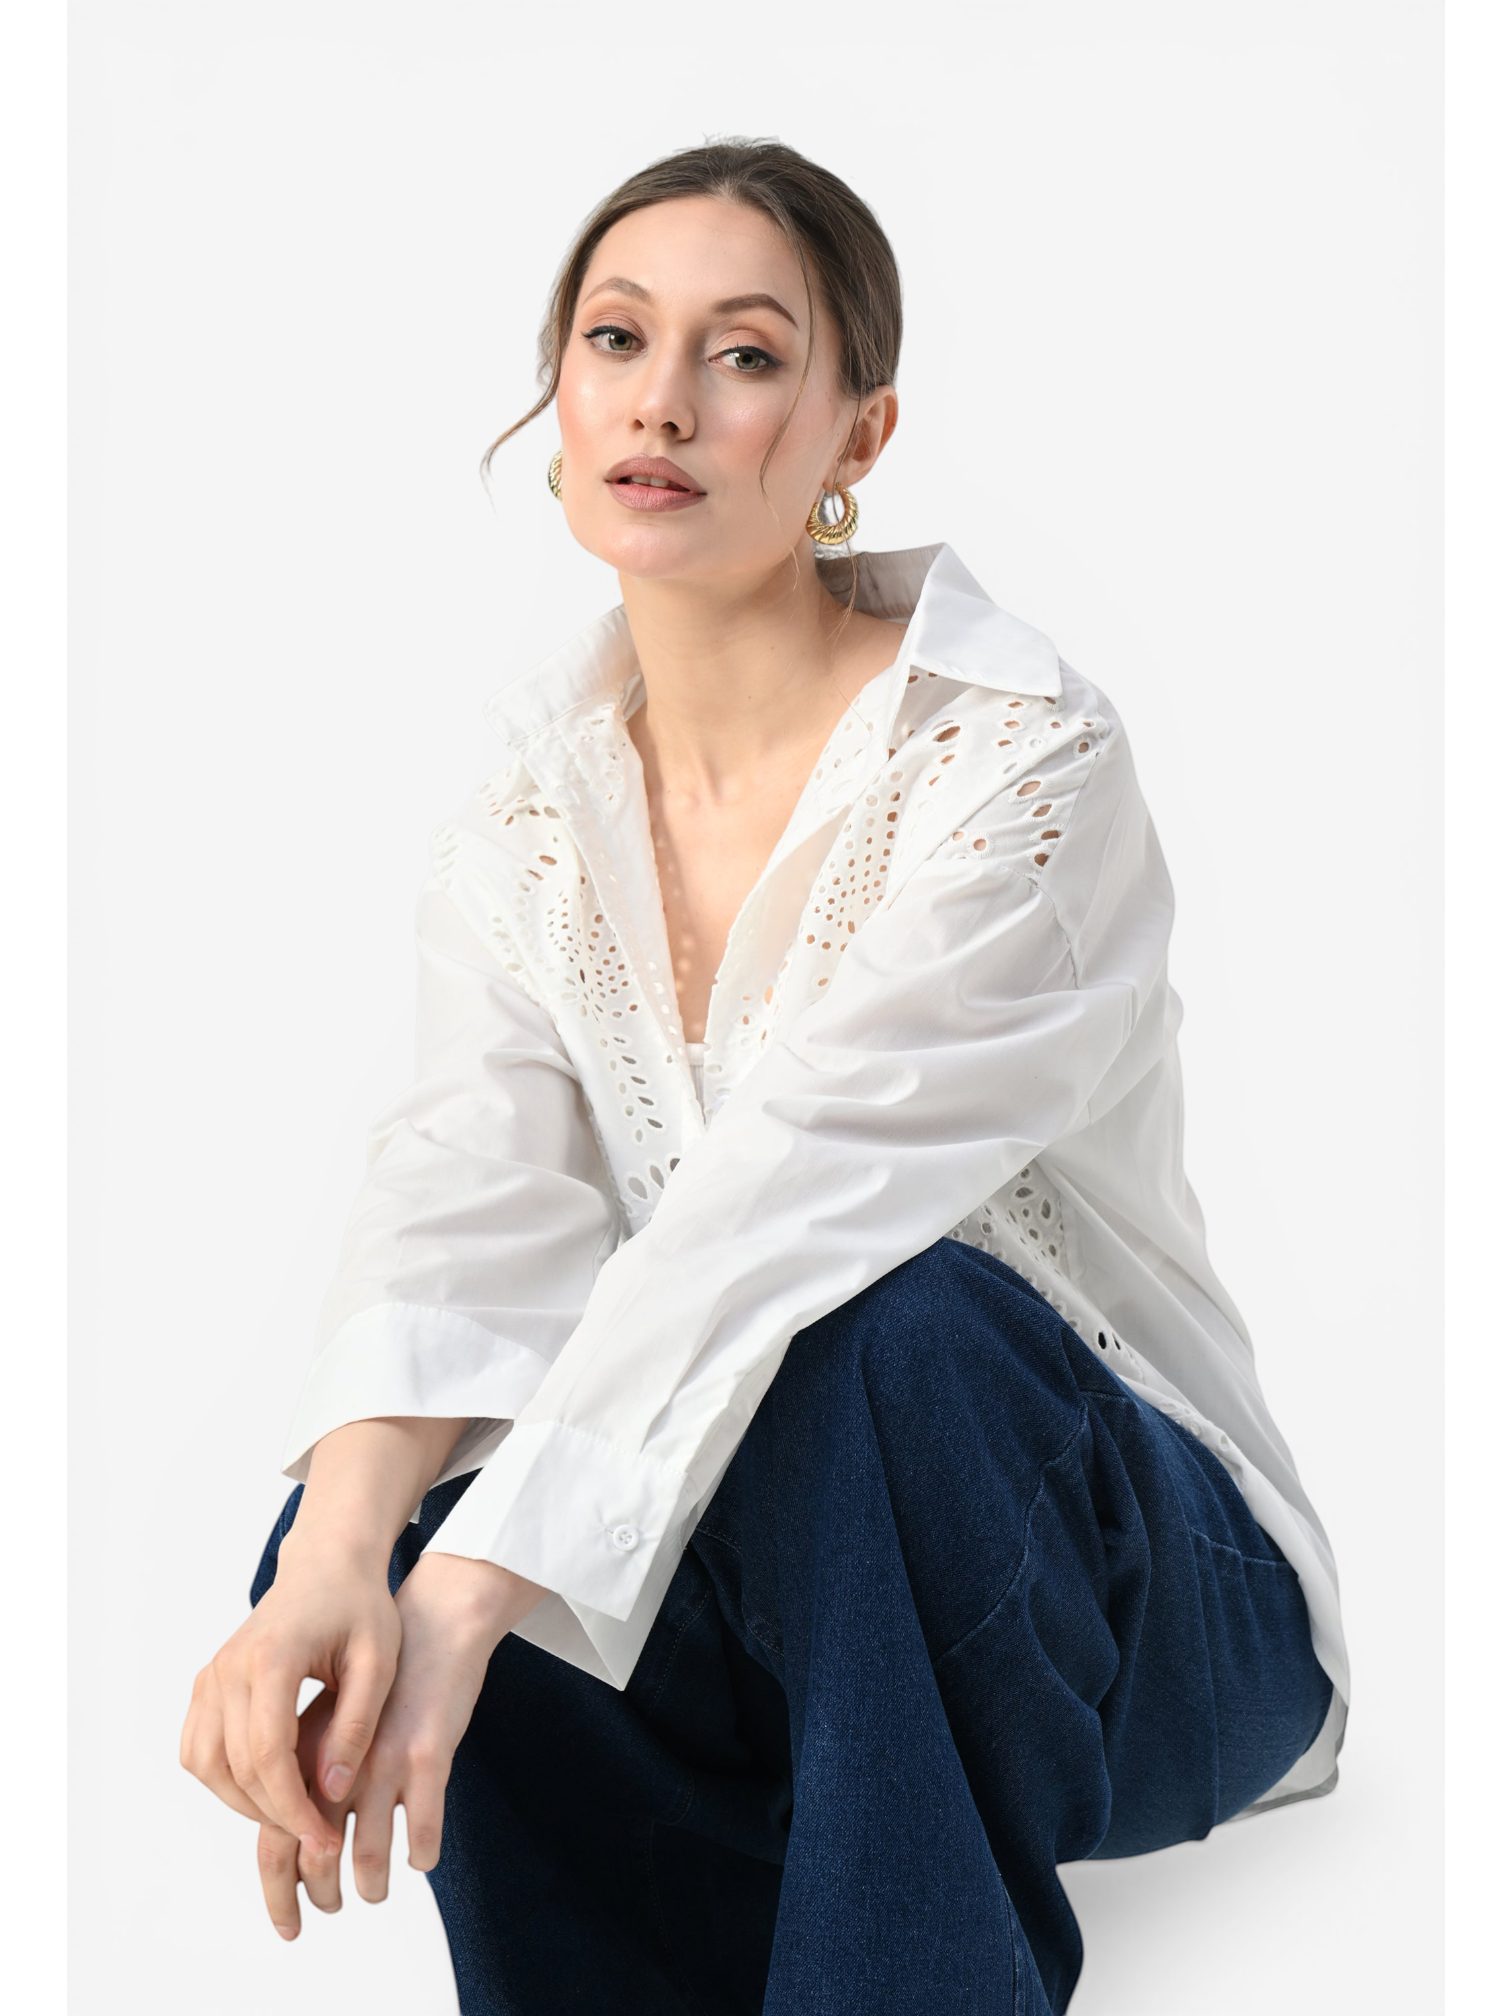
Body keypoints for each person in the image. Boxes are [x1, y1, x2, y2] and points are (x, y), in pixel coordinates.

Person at [181, 140, 1347, 2015]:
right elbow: (466, 1195)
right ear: (559, 399)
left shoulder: (1013, 757)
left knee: (885, 1332)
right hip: (780, 1616)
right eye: (617, 338)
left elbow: (794, 1197)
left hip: (1129, 1610)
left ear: (855, 434)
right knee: (390, 1522)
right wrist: (338, 1552)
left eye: (744, 355)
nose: (663, 399)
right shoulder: (524, 813)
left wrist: (479, 1591)